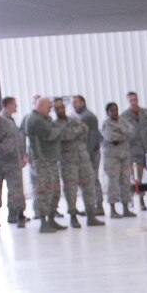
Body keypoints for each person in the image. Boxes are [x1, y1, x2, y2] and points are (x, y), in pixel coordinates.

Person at [56, 96, 104, 227]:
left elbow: (85, 131)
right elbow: (65, 135)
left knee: (89, 186)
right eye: (57, 107)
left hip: (83, 157)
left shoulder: (73, 119)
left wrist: (78, 131)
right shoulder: (55, 125)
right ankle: (73, 216)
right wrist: (79, 130)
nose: (61, 109)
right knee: (71, 190)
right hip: (68, 161)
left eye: (62, 107)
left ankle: (91, 215)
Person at [0, 105, 27, 227]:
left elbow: (9, 147)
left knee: (15, 189)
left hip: (11, 162)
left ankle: (20, 215)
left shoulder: (9, 126)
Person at [24, 94, 65, 230]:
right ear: (40, 106)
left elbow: (53, 129)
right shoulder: (35, 120)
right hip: (42, 161)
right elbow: (49, 134)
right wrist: (58, 129)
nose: (50, 110)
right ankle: (43, 222)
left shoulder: (44, 118)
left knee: (54, 191)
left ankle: (51, 219)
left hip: (50, 160)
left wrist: (56, 129)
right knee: (44, 192)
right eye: (48, 107)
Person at [100, 101, 137, 217]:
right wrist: (122, 133)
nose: (114, 112)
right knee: (113, 183)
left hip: (125, 156)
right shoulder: (106, 124)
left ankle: (126, 208)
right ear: (107, 112)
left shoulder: (122, 121)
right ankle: (112, 209)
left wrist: (120, 132)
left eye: (116, 110)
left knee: (125, 182)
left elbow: (132, 132)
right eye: (112, 110)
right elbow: (110, 137)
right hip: (112, 158)